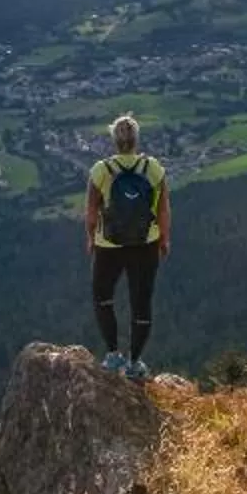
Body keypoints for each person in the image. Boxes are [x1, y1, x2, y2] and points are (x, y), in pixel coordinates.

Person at [84, 113, 170, 378]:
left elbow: (90, 211)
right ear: (136, 140)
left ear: (114, 140)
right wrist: (164, 239)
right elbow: (163, 209)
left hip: (108, 244)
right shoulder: (153, 169)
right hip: (146, 244)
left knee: (103, 297)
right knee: (141, 303)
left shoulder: (101, 171)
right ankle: (135, 363)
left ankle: (112, 355)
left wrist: (90, 238)